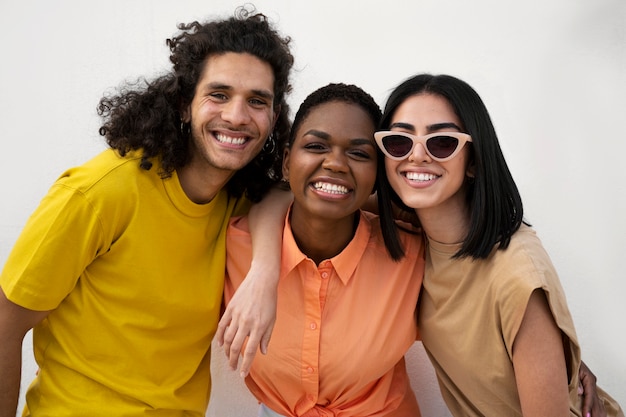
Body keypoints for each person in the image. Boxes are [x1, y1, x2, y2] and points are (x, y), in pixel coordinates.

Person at [0, 6, 293, 417]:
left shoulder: (238, 198)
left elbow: (292, 195)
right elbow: (3, 325)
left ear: (274, 118)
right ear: (183, 103)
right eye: (219, 94)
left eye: (257, 101)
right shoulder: (100, 193)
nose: (236, 116)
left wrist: (265, 271)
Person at [374, 73, 624, 417]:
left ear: (474, 160)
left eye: (442, 142)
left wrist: (555, 351)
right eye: (399, 142)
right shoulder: (415, 229)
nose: (416, 156)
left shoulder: (516, 272)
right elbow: (319, 192)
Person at [224, 83, 426, 416]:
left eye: (359, 154)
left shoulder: (411, 257)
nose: (335, 163)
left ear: (378, 174)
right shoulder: (234, 246)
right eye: (316, 145)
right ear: (287, 162)